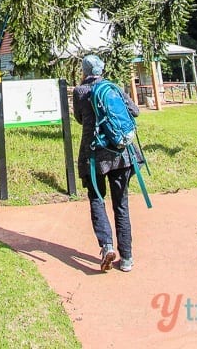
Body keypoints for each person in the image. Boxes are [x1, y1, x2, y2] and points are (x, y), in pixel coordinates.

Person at [73, 54, 140, 273]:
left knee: (97, 199)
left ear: (84, 71)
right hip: (121, 153)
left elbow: (80, 119)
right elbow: (134, 112)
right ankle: (127, 257)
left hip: (94, 156)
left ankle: (107, 246)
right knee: (121, 204)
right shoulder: (114, 88)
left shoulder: (80, 92)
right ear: (102, 69)